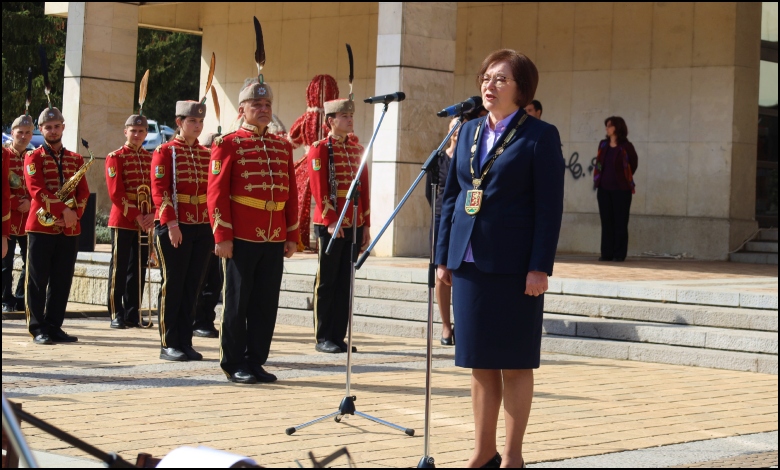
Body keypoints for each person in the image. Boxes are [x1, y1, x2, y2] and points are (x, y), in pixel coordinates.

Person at [436, 49, 564, 468]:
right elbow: (452, 198)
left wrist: (539, 266)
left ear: (522, 89)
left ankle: (512, 455)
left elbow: (549, 207)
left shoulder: (540, 136)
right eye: (486, 78)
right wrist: (444, 258)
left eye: (500, 79)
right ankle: (483, 450)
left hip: (514, 268)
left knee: (513, 362)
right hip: (469, 264)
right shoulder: (469, 131)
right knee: (479, 362)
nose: (489, 86)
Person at [208, 78, 299, 384]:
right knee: (237, 303)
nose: (263, 109)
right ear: (242, 109)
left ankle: (255, 359)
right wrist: (222, 236)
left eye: (268, 105)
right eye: (257, 105)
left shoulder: (281, 146)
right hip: (241, 237)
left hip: (273, 237)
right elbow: (216, 194)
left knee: (265, 303)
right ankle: (233, 362)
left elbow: (290, 192)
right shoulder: (227, 144)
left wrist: (291, 234)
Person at [307, 97, 371, 354]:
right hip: (330, 223)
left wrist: (365, 223)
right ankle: (324, 336)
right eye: (344, 116)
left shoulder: (357, 150)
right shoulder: (320, 148)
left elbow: (363, 189)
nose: (350, 120)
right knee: (327, 280)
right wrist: (331, 219)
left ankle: (338, 336)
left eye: (351, 116)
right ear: (331, 121)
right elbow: (318, 186)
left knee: (345, 281)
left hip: (353, 223)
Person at [151, 100, 213, 361]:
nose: (197, 126)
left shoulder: (205, 154)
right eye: (192, 122)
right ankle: (169, 342)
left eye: (200, 122)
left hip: (201, 226)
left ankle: (185, 341)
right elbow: (160, 190)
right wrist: (171, 223)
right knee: (173, 285)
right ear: (179, 123)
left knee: (193, 286)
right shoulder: (165, 152)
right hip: (175, 226)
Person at [24, 107, 91, 345]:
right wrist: (62, 210)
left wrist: (75, 214)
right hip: (41, 226)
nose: (53, 130)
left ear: (63, 127)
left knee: (62, 279)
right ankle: (37, 327)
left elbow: (83, 192)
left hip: (69, 226)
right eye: (47, 127)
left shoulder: (76, 159)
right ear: (41, 130)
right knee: (38, 278)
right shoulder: (33, 157)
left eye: (56, 126)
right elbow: (36, 189)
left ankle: (54, 325)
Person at [105, 114, 156, 329]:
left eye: (141, 131)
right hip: (124, 220)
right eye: (133, 131)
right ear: (125, 131)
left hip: (145, 220)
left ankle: (133, 312)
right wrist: (137, 215)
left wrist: (153, 214)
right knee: (120, 267)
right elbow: (116, 192)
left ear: (146, 134)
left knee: (139, 269)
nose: (137, 135)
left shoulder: (150, 158)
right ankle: (116, 312)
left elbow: (156, 190)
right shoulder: (115, 157)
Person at [425, 117, 460, 346]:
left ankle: (462, 324)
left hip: (465, 219)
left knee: (460, 273)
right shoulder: (437, 158)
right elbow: (430, 192)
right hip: (441, 218)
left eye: (461, 128)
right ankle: (446, 326)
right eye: (453, 128)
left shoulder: (471, 157)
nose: (456, 132)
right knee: (441, 272)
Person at [594, 116, 638, 262]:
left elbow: (633, 164)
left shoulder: (626, 146)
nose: (607, 128)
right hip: (604, 189)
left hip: (621, 190)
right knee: (606, 221)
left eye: (609, 126)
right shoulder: (603, 145)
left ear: (617, 128)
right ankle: (606, 253)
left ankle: (619, 254)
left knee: (620, 222)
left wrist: (624, 177)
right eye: (606, 126)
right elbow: (599, 163)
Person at [2, 115, 33, 313]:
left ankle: (21, 298)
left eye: (27, 132)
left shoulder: (34, 156)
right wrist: (15, 203)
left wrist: (30, 202)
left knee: (31, 260)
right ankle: (5, 299)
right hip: (8, 216)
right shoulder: (4, 154)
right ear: (12, 133)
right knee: (5, 262)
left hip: (29, 217)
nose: (23, 136)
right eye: (19, 132)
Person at [193, 132, 220, 338]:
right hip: (201, 225)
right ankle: (196, 319)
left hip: (218, 228)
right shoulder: (199, 167)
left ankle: (206, 319)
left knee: (215, 279)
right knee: (200, 278)